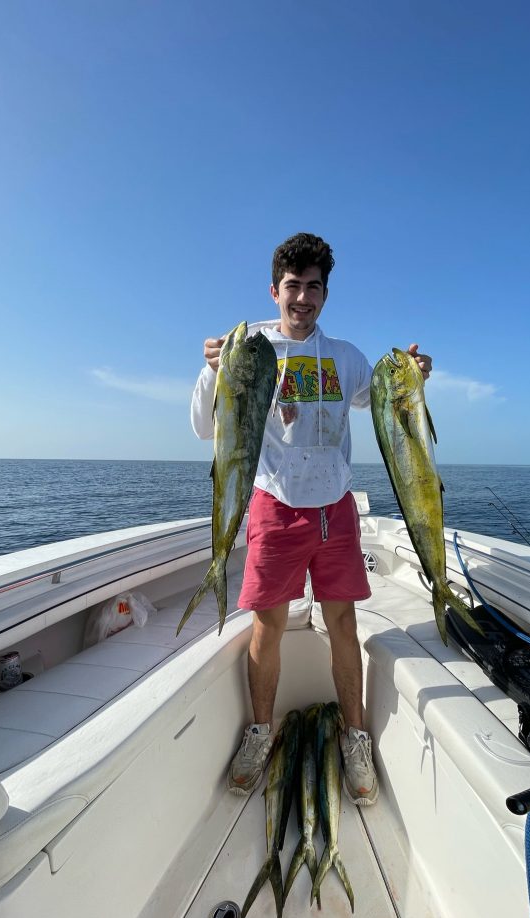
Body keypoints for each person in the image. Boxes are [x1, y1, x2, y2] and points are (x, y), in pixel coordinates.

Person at [190, 233, 432, 806]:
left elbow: (387, 400)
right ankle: (259, 733)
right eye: (292, 286)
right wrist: (211, 370)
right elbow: (206, 427)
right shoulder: (249, 351)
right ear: (274, 291)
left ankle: (354, 738)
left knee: (343, 624)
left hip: (336, 510)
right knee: (267, 627)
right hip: (274, 507)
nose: (302, 298)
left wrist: (418, 371)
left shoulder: (346, 358)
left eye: (313, 287)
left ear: (325, 293)